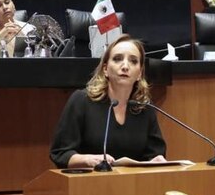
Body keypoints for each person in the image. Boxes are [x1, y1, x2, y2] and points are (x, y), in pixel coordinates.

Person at [49, 34, 167, 168]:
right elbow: (60, 153)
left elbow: (155, 154)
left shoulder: (144, 107)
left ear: (139, 73)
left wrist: (156, 161)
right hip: (89, 183)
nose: (125, 66)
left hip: (134, 185)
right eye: (117, 59)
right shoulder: (82, 101)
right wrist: (87, 159)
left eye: (133, 61)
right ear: (105, 69)